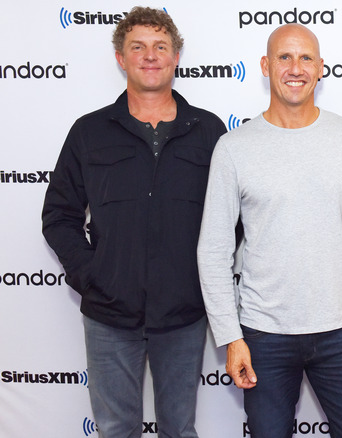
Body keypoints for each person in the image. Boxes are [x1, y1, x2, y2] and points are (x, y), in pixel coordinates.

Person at [196, 24, 342, 438]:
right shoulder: (234, 147)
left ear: (321, 68)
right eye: (284, 57)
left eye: (306, 58)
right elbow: (213, 250)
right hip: (263, 335)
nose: (295, 68)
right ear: (266, 66)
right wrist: (231, 337)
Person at [41, 6, 226, 438]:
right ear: (121, 59)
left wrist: (203, 278)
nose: (150, 55)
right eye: (137, 47)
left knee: (179, 429)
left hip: (184, 314)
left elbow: (231, 220)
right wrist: (92, 275)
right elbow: (58, 215)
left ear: (176, 56)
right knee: (115, 429)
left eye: (161, 46)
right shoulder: (89, 131)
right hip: (108, 314)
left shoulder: (209, 131)